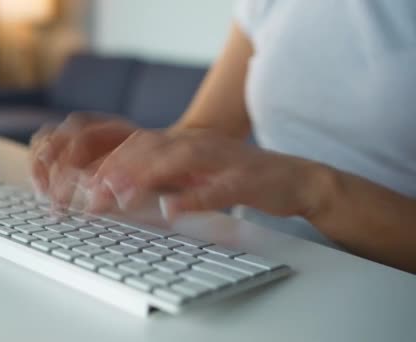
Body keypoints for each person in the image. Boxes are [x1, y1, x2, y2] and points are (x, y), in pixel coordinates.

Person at [29, 1, 416, 274]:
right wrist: (142, 148)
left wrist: (311, 189)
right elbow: (204, 130)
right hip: (255, 261)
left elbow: (295, 181)